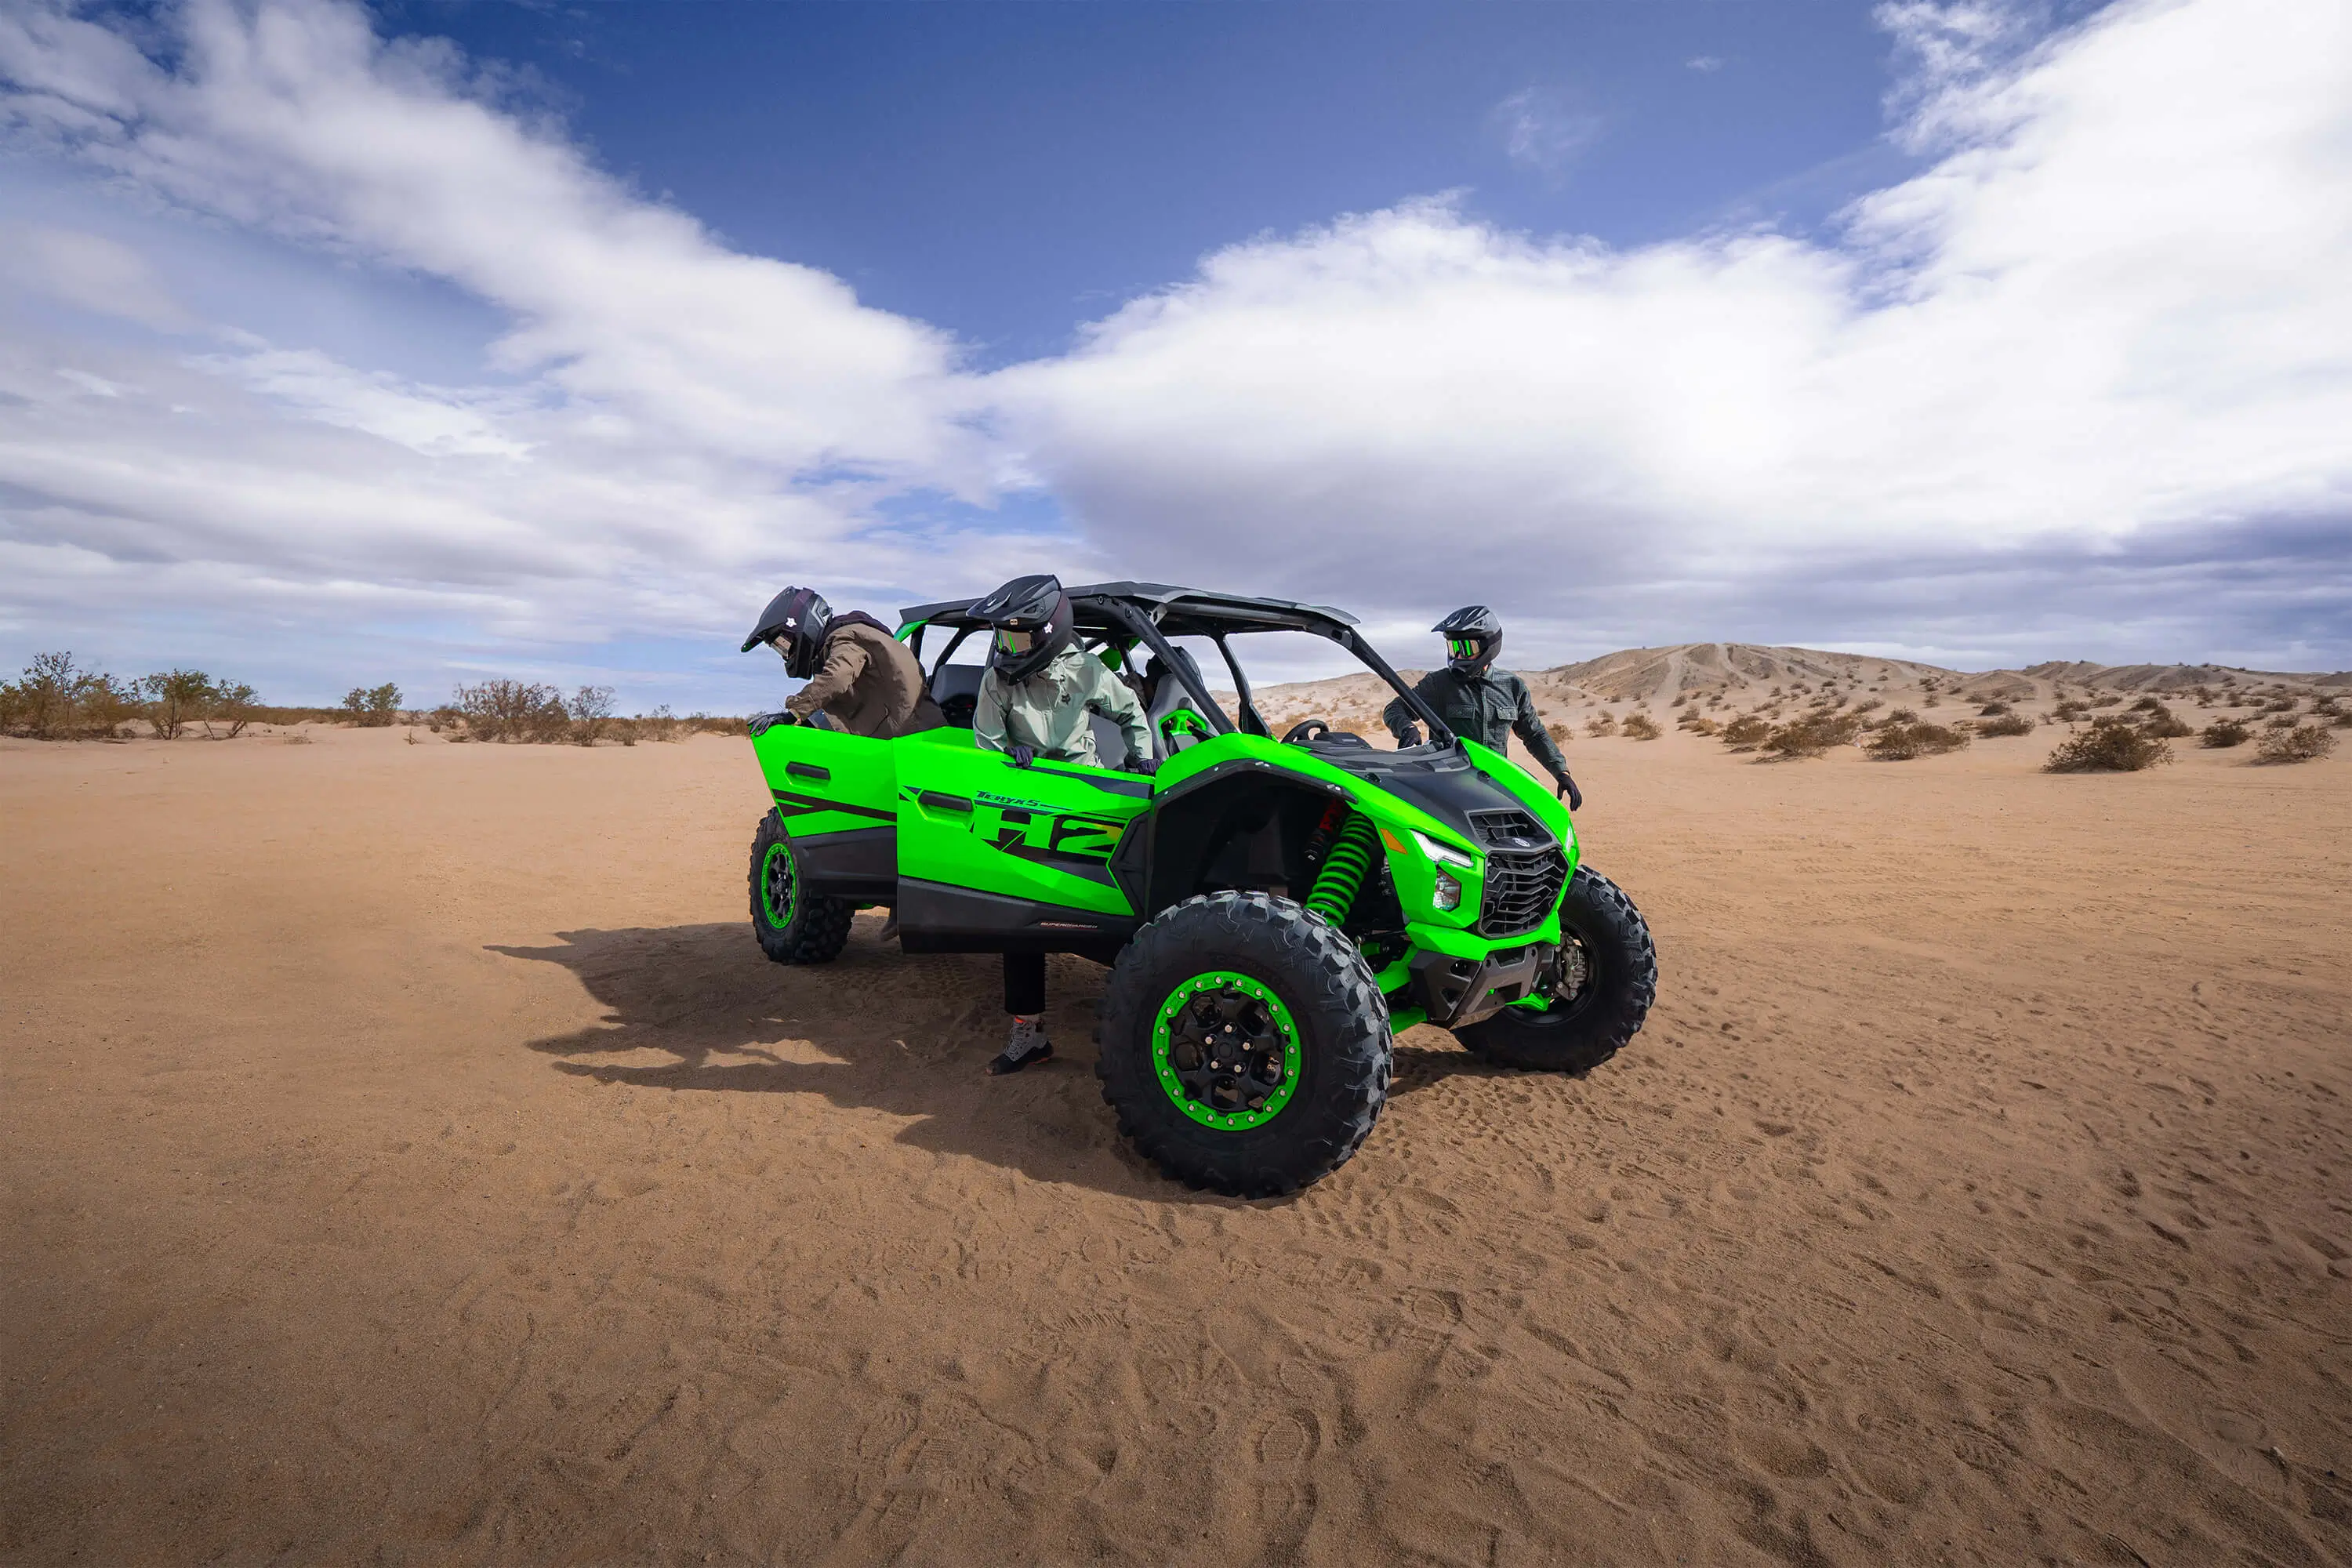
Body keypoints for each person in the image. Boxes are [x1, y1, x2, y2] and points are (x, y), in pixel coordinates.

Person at [967, 573, 1156, 1076]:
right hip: (1025, 795)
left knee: (1109, 910)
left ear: (1049, 632)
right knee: (1022, 917)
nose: (1009, 647)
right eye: (1003, 636)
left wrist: (1141, 763)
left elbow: (1131, 710)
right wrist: (1009, 752)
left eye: (1020, 637)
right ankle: (1027, 1035)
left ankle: (1137, 1026)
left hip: (1082, 797)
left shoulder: (1084, 671)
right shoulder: (996, 678)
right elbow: (984, 737)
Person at [1383, 605, 1584, 811]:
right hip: (1447, 789)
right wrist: (1406, 728)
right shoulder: (1439, 684)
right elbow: (1395, 709)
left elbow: (1534, 734)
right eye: (1454, 648)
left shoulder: (1513, 687)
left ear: (1489, 645)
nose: (1459, 655)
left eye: (1467, 648)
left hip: (1495, 786)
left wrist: (1561, 772)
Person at [741, 586, 944, 739]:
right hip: (913, 736)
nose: (786, 652)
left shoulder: (848, 637)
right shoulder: (858, 635)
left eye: (784, 643)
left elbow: (836, 678)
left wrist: (795, 712)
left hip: (914, 740)